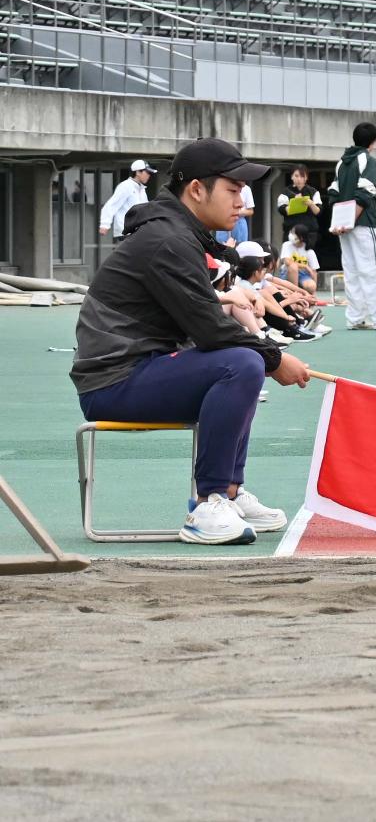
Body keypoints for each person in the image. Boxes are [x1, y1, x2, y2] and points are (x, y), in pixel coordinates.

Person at [67, 138, 311, 545]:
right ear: (197, 190)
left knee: (241, 361)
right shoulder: (168, 240)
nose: (241, 200)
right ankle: (208, 501)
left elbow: (207, 320)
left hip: (140, 368)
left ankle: (229, 492)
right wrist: (275, 358)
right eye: (232, 190)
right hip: (112, 382)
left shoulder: (178, 234)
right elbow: (212, 330)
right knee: (242, 363)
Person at [329, 121, 376, 332]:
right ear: (374, 142)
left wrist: (339, 223)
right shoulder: (369, 161)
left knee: (353, 272)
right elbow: (365, 193)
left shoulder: (341, 163)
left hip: (344, 228)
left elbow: (333, 193)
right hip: (365, 224)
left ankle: (356, 318)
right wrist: (350, 220)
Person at [97, 159, 155, 241]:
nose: (149, 175)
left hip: (137, 232)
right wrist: (105, 224)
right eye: (147, 172)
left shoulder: (142, 190)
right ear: (138, 172)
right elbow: (112, 204)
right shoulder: (125, 186)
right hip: (127, 232)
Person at [277, 166, 322, 249]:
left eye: (302, 176)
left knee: (307, 257)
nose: (299, 179)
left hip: (309, 232)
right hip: (291, 232)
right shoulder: (285, 192)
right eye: (296, 176)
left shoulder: (313, 192)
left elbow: (318, 211)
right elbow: (281, 209)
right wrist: (295, 202)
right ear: (292, 177)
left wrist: (311, 204)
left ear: (306, 178)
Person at [277, 227, 319, 294]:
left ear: (301, 237)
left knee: (311, 286)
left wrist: (314, 293)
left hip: (303, 275)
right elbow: (287, 262)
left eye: (293, 233)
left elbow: (314, 271)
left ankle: (304, 293)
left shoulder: (309, 251)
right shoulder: (286, 245)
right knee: (293, 267)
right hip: (287, 273)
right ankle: (295, 293)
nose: (290, 234)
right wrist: (305, 266)